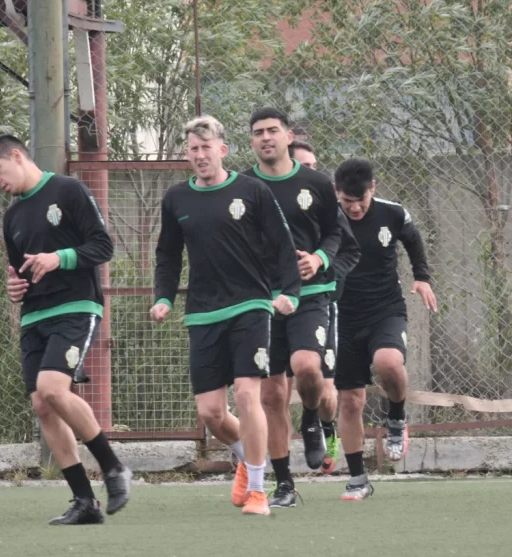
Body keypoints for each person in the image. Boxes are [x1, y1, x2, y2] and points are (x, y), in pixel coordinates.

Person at [0, 135, 132, 525]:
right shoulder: (12, 217)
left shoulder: (69, 190)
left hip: (76, 308)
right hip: (34, 317)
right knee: (43, 405)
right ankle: (85, 502)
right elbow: (21, 274)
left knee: (52, 388)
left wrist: (58, 258)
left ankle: (114, 467)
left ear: (16, 156)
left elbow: (103, 246)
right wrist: (15, 289)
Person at [151, 116, 300, 516]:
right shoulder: (176, 199)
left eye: (207, 147)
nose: (200, 155)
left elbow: (283, 246)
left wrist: (289, 293)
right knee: (211, 413)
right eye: (193, 149)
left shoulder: (252, 190)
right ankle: (250, 459)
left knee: (249, 394)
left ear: (223, 149)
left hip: (251, 305)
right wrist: (163, 297)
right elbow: (167, 254)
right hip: (202, 313)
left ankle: (257, 490)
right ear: (187, 154)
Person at [244, 108, 343, 508]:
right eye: (257, 133)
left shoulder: (315, 183)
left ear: (287, 136)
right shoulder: (243, 186)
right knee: (270, 396)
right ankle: (284, 483)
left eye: (272, 131)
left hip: (310, 295)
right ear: (251, 142)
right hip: (261, 301)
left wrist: (318, 258)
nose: (265, 137)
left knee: (306, 368)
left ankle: (314, 418)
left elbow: (337, 233)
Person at [334, 158, 437, 500]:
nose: (355, 207)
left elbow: (413, 240)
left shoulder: (392, 213)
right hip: (343, 316)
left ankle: (396, 418)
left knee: (388, 363)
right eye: (347, 202)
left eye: (360, 200)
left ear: (372, 189)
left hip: (385, 310)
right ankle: (358, 479)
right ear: (337, 194)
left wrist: (422, 277)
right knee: (349, 401)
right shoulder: (327, 217)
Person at [288, 139, 360, 474]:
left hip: (320, 302)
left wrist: (322, 265)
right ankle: (262, 469)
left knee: (324, 388)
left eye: (315, 166)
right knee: (266, 392)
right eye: (305, 166)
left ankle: (321, 425)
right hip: (273, 305)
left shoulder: (324, 203)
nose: (312, 173)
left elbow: (348, 250)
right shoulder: (265, 199)